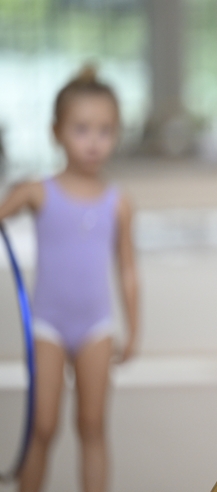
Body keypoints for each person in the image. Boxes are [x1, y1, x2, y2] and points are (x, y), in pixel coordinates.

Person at [0, 66, 139, 492]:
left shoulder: (119, 202)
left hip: (96, 326)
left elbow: (128, 270)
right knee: (42, 428)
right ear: (56, 132)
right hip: (47, 326)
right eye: (82, 129)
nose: (94, 141)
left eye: (105, 130)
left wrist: (133, 329)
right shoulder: (37, 191)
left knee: (92, 427)